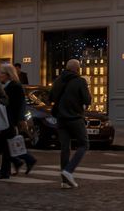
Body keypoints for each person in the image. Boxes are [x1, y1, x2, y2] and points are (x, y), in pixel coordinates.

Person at [47, 58, 91, 187]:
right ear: (77, 69)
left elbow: (50, 98)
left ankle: (65, 181)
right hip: (75, 118)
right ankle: (69, 170)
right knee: (84, 144)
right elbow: (87, 100)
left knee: (65, 148)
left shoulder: (58, 81)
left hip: (61, 119)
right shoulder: (80, 81)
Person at [0, 63, 36, 178]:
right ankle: (20, 161)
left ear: (8, 74)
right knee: (8, 144)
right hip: (7, 119)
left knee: (7, 144)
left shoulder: (15, 86)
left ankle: (10, 168)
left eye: (1, 73)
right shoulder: (7, 85)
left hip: (12, 119)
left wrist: (20, 120)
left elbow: (20, 105)